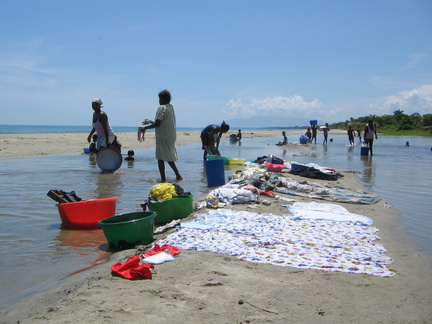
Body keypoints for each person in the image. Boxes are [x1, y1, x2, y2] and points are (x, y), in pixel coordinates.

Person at [138, 90, 183, 182]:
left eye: (159, 99)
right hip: (171, 135)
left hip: (163, 135)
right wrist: (151, 122)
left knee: (160, 157)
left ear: (163, 99)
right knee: (168, 155)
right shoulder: (170, 107)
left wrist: (145, 128)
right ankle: (178, 175)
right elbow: (162, 122)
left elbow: (158, 124)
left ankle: (163, 179)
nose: (159, 101)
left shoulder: (161, 108)